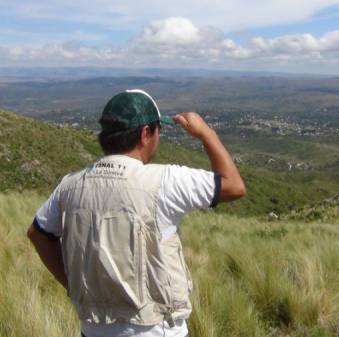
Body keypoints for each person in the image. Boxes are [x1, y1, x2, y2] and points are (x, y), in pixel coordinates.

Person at [27, 89, 246, 337]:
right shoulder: (165, 181)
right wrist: (207, 133)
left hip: (92, 329)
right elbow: (234, 186)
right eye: (157, 130)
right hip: (155, 329)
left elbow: (38, 232)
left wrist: (72, 285)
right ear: (145, 134)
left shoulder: (70, 185)